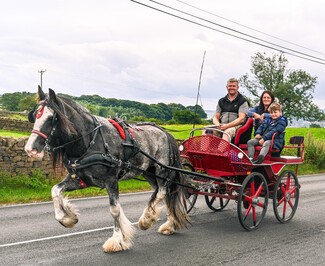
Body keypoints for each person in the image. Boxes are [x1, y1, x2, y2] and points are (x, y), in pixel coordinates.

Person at [213, 78, 249, 142]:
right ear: (226, 87)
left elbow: (241, 119)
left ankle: (221, 151)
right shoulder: (221, 101)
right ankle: (203, 151)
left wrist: (227, 126)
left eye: (234, 86)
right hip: (222, 125)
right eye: (230, 86)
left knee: (227, 132)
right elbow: (216, 117)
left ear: (237, 87)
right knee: (207, 130)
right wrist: (218, 125)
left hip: (236, 127)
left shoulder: (242, 101)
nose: (231, 88)